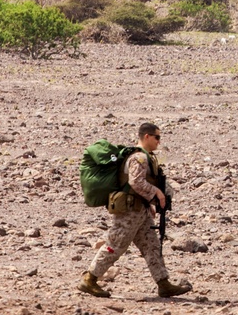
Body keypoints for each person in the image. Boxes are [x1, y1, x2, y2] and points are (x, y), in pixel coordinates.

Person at [78, 123, 192, 298]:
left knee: (151, 245)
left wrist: (149, 204)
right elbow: (136, 182)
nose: (159, 142)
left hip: (140, 210)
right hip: (129, 211)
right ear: (146, 136)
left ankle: (164, 284)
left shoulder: (146, 157)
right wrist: (157, 193)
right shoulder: (139, 157)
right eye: (157, 137)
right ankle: (90, 279)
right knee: (115, 245)